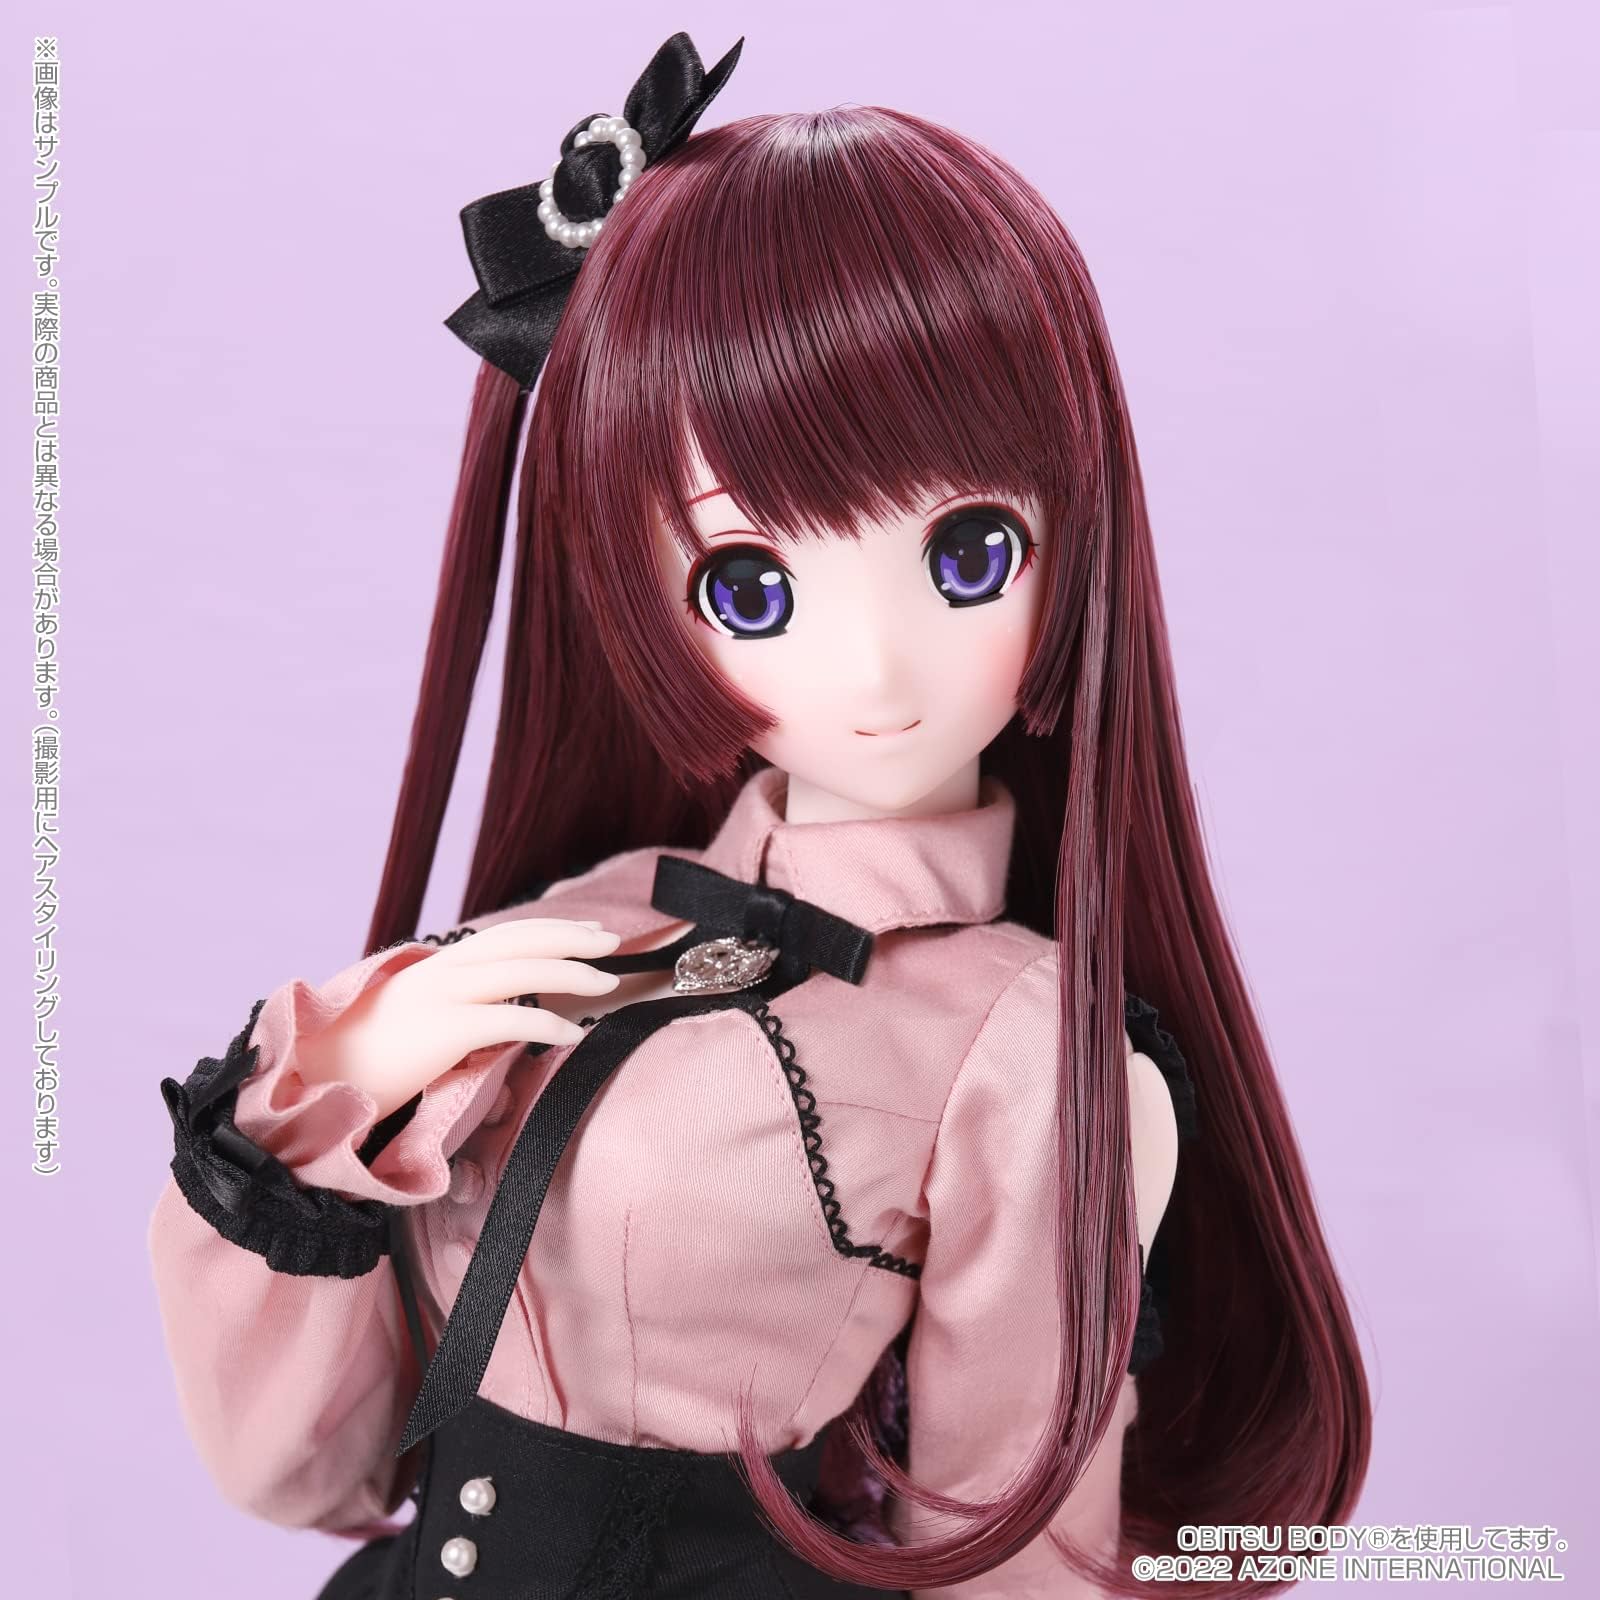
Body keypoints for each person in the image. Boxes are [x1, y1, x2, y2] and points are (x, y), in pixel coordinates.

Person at [148, 32, 1370, 1600]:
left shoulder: (1031, 1058)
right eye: (752, 585)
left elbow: (1011, 1553)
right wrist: (323, 1109)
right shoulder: (581, 919)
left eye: (970, 556)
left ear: (1082, 537)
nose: (873, 670)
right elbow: (308, 1473)